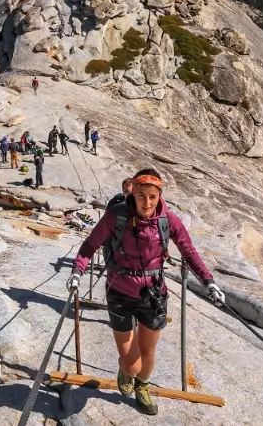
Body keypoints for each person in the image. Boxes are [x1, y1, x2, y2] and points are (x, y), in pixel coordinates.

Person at [65, 169, 224, 416]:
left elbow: (189, 252)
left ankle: (143, 386)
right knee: (130, 360)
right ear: (133, 194)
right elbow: (90, 245)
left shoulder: (168, 221)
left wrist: (208, 281)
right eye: (141, 195)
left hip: (153, 294)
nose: (146, 202)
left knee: (148, 352)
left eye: (152, 196)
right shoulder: (116, 216)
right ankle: (127, 370)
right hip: (119, 291)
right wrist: (77, 271)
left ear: (159, 195)